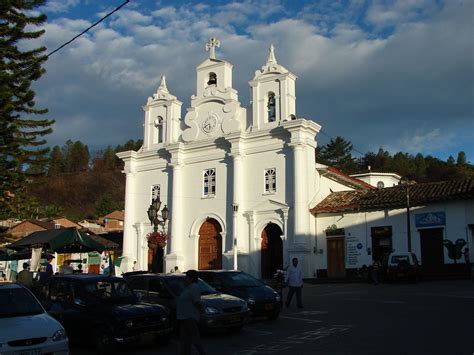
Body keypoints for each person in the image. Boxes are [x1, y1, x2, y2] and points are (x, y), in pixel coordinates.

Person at [176, 270, 206, 355]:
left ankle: (202, 353)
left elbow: (196, 302)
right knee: (185, 340)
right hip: (183, 317)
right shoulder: (188, 287)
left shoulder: (194, 287)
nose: (185, 279)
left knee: (195, 338)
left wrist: (201, 312)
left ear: (191, 278)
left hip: (190, 317)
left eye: (186, 277)